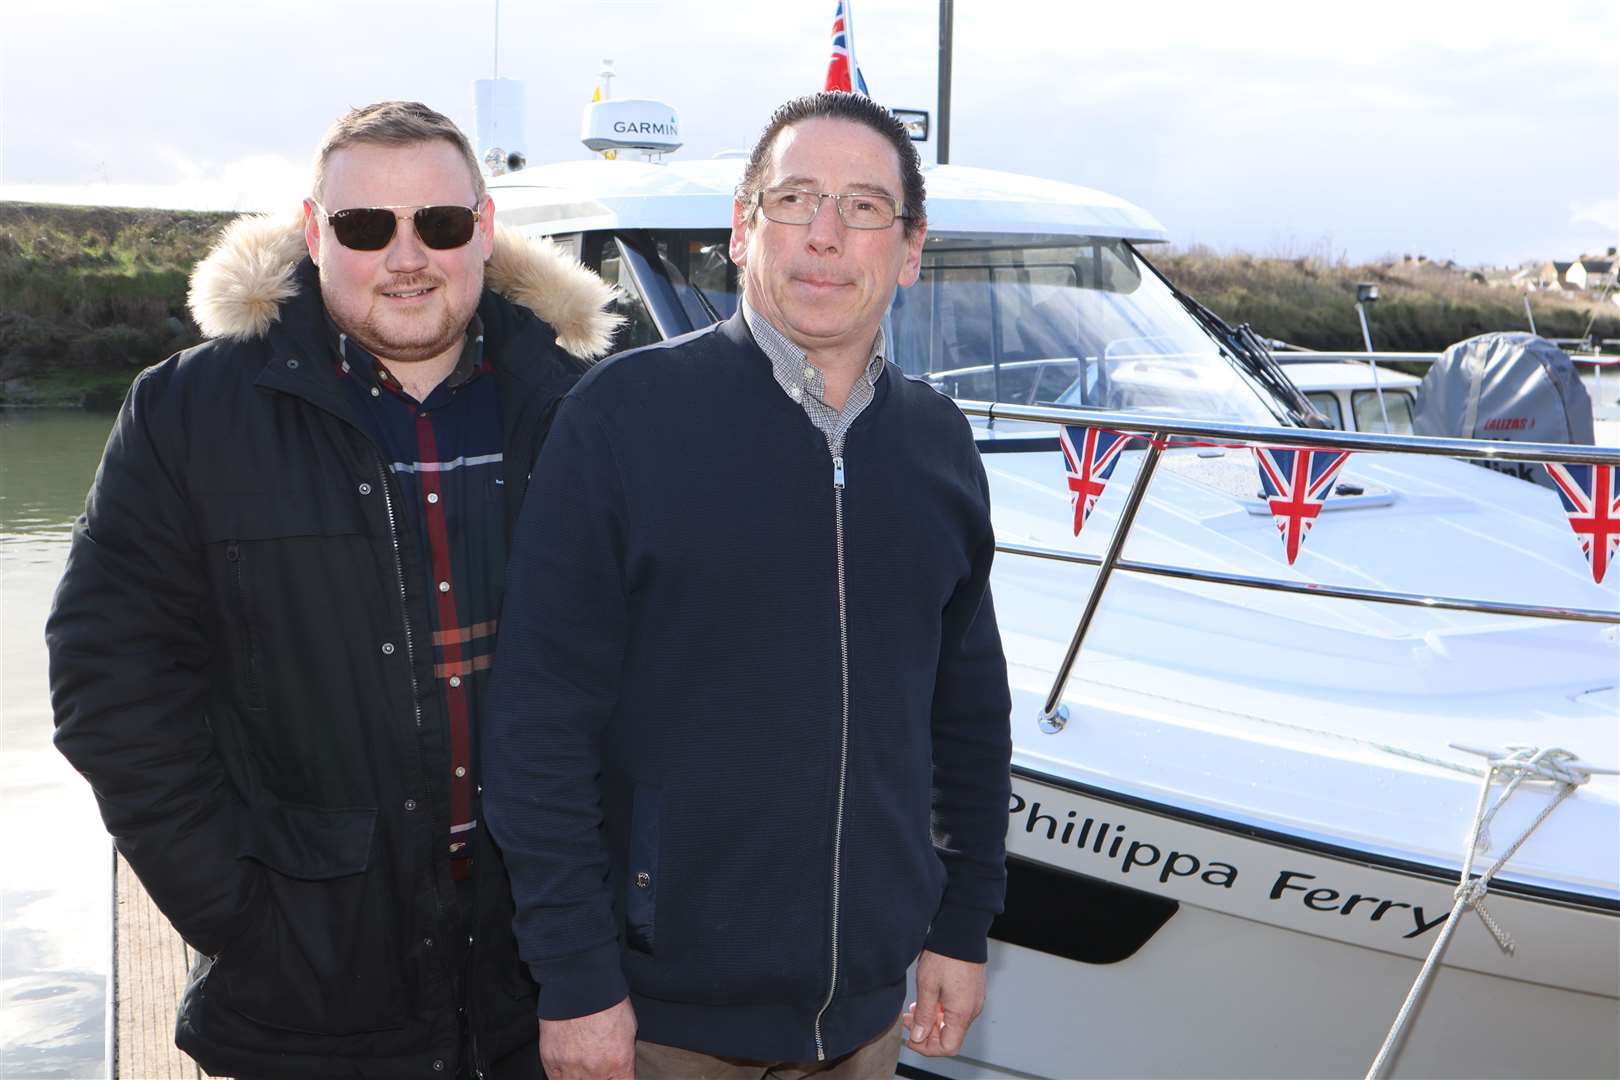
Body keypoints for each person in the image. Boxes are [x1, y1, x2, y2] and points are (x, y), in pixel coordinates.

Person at [46, 100, 619, 1079]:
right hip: (306, 993)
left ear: (483, 232)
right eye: (365, 227)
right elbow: (111, 685)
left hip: (541, 977)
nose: (407, 256)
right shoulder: (191, 412)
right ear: (314, 234)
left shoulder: (585, 411)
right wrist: (241, 908)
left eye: (438, 224)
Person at [484, 91, 1013, 1079]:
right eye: (794, 198)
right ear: (740, 229)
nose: (823, 235)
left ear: (909, 249)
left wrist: (962, 924)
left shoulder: (939, 445)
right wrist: (577, 978)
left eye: (862, 208)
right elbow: (536, 723)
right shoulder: (624, 419)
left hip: (863, 1023)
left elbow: (967, 712)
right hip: (659, 1022)